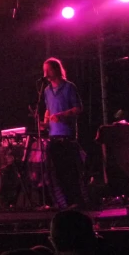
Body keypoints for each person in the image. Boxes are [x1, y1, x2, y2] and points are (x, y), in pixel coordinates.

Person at [41, 57, 87, 207]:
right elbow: (48, 110)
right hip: (53, 137)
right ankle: (64, 204)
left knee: (71, 173)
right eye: (44, 70)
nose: (45, 73)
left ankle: (77, 203)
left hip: (67, 137)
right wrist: (45, 122)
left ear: (56, 70)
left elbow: (78, 108)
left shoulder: (69, 87)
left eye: (48, 70)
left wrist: (61, 115)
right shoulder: (47, 91)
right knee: (57, 174)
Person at [95, 110, 129, 196]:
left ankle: (118, 193)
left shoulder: (105, 129)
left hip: (114, 161)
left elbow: (98, 141)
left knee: (119, 175)